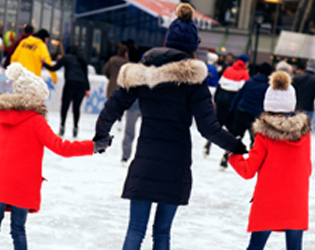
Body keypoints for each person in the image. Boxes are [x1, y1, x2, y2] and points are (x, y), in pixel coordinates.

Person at [94, 4, 247, 249]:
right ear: (192, 47)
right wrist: (236, 146)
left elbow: (114, 105)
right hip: (176, 164)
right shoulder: (194, 81)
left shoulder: (143, 73)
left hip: (146, 159)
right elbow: (208, 128)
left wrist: (101, 134)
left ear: (167, 41)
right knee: (162, 233)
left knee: (135, 230)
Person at [0, 63, 112, 250]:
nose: (42, 103)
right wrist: (94, 146)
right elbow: (61, 147)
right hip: (21, 187)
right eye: (41, 99)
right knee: (18, 230)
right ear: (33, 97)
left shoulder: (1, 117)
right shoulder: (35, 121)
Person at [228, 71, 311, 250]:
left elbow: (248, 170)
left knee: (256, 246)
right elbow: (307, 168)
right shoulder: (304, 134)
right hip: (296, 200)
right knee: (295, 247)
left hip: (268, 200)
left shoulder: (265, 134)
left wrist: (233, 156)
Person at [42, 45, 90, 137]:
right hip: (81, 85)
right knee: (76, 108)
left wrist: (44, 63)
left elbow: (54, 68)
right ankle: (76, 128)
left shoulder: (66, 58)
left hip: (70, 83)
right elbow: (86, 75)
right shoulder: (82, 59)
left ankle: (62, 126)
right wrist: (88, 89)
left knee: (65, 105)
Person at [213, 54, 250, 166]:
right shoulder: (245, 75)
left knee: (218, 125)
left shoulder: (228, 69)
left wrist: (215, 100)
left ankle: (210, 142)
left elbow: (219, 86)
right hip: (232, 105)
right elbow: (242, 93)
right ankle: (227, 154)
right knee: (233, 131)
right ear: (246, 63)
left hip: (221, 102)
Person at [228, 62, 273, 149]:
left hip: (241, 110)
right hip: (254, 115)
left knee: (236, 136)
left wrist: (231, 111)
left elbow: (238, 96)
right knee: (255, 140)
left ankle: (228, 155)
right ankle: (253, 159)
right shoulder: (267, 87)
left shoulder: (249, 81)